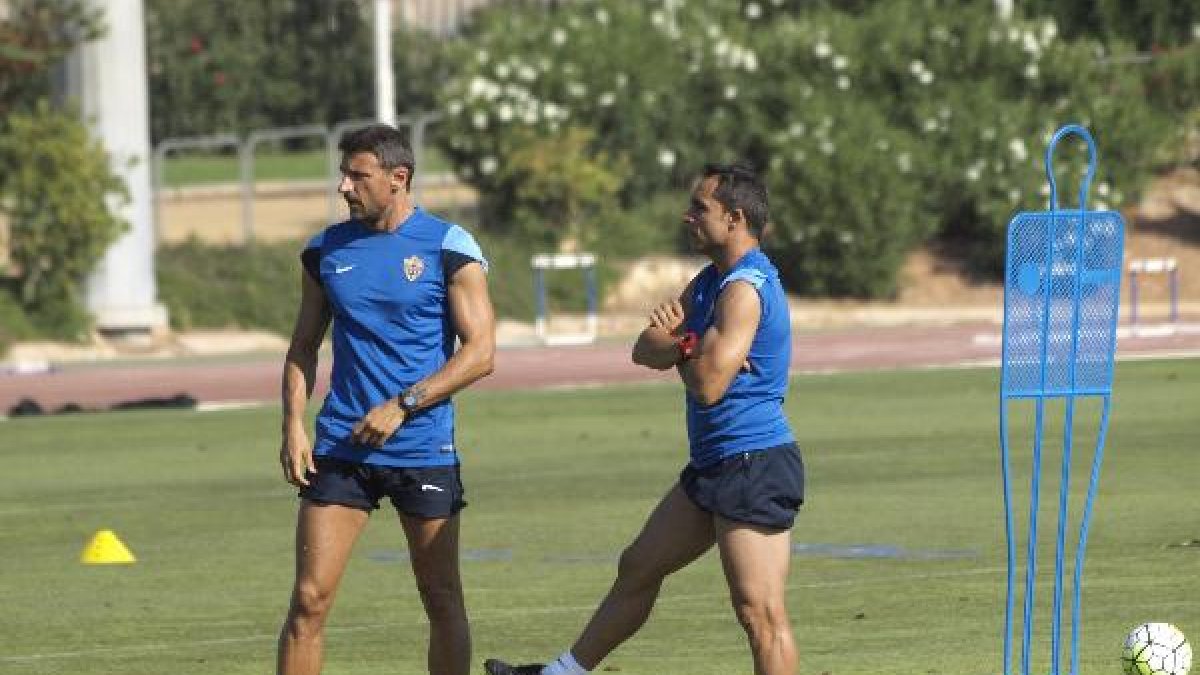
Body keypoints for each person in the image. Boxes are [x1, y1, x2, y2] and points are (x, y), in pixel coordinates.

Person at [485, 162, 804, 675]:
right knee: (639, 566)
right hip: (714, 464)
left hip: (754, 463)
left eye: (701, 208)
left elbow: (707, 386)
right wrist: (692, 343)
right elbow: (644, 348)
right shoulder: (709, 283)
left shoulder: (745, 289)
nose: (688, 216)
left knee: (759, 613)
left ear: (736, 218)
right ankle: (559, 674)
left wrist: (683, 346)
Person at [276, 123, 495, 675]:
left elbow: (480, 353)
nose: (345, 187)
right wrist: (293, 426)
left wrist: (403, 404)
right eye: (343, 175)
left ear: (399, 179)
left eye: (358, 176)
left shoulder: (448, 247)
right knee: (308, 601)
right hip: (342, 448)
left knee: (441, 599)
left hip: (422, 449)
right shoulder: (324, 251)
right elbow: (303, 346)